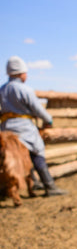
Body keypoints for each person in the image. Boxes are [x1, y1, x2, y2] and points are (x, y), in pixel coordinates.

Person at [0, 56, 67, 196]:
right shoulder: (24, 89)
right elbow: (37, 108)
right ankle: (49, 186)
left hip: (6, 129)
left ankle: (34, 182)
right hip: (23, 128)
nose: (26, 75)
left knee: (18, 156)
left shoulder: (3, 89)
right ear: (19, 73)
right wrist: (48, 120)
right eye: (25, 72)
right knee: (37, 151)